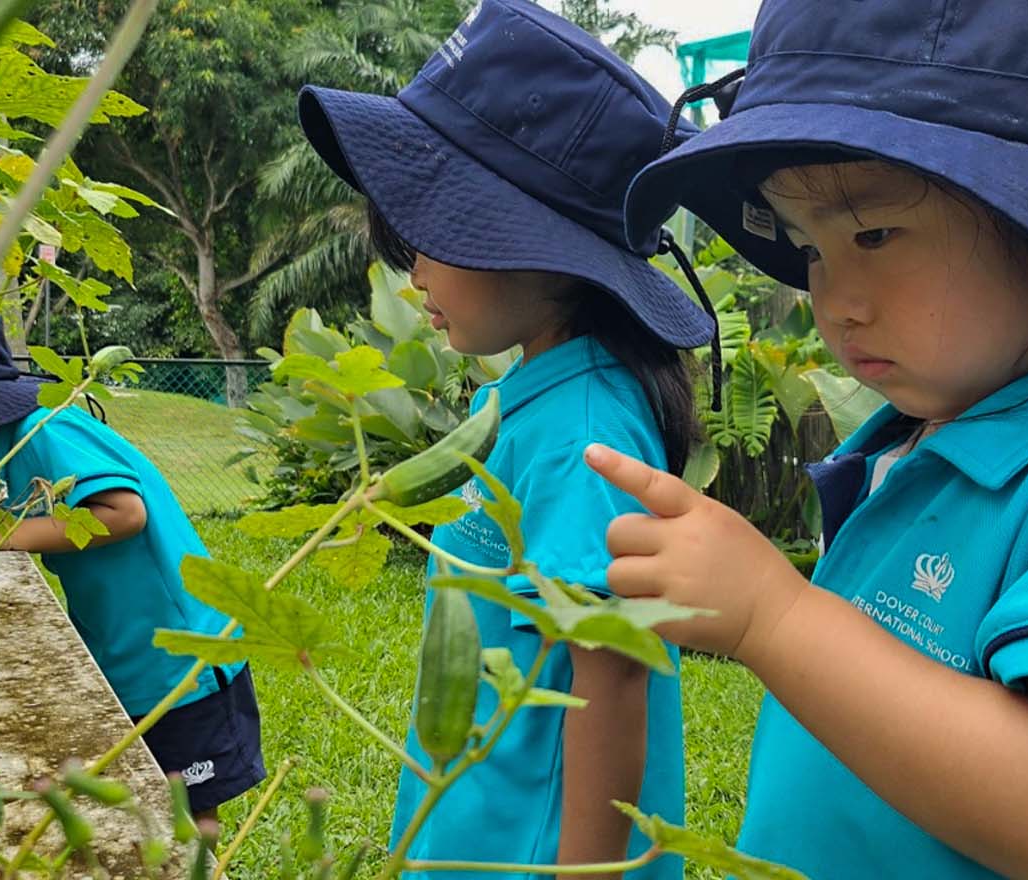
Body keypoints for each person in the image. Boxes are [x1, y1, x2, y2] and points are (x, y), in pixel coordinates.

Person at [582, 0, 1028, 877]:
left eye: (873, 233)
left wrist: (776, 616)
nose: (835, 302)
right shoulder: (934, 429)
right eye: (809, 247)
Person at [296, 0, 719, 875]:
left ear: (538, 248)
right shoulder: (550, 395)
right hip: (485, 833)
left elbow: (613, 667)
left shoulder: (586, 430)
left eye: (432, 236)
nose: (412, 272)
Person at [0, 299, 266, 819]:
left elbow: (126, 513)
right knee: (142, 801)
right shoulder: (0, 454)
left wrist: (3, 531)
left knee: (187, 812)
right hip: (126, 649)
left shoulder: (46, 433)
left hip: (180, 660)